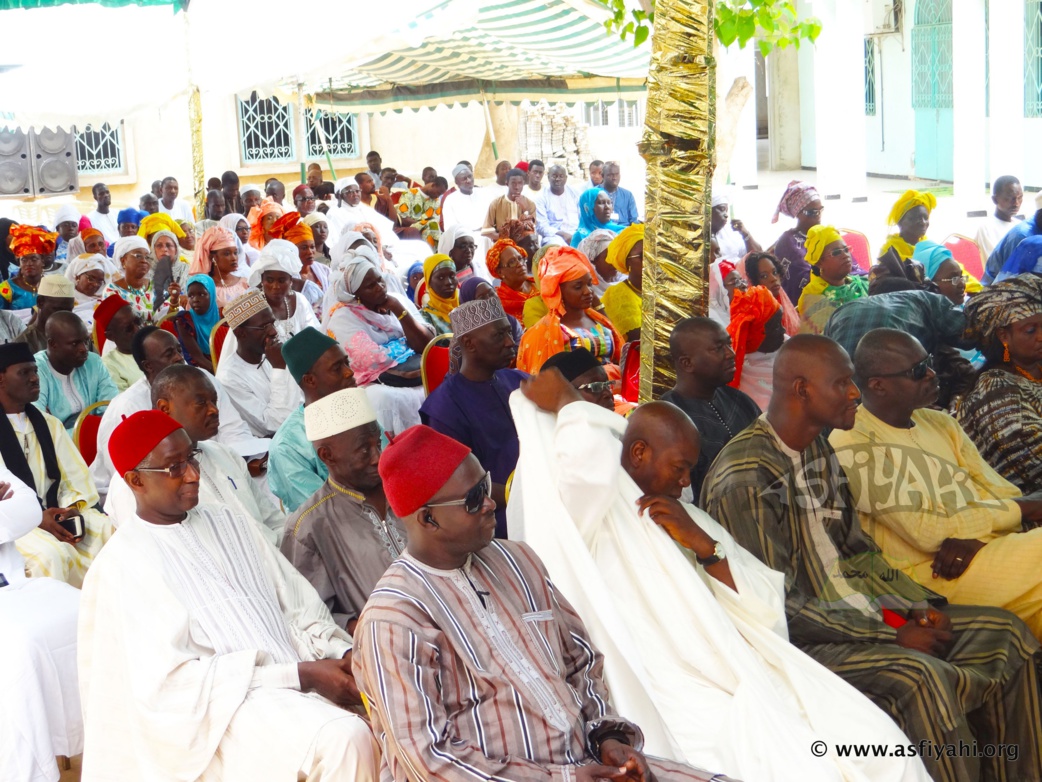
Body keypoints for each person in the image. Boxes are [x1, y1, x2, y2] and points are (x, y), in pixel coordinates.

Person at [512, 370, 931, 781]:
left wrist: (705, 547)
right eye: (679, 467)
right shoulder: (588, 521)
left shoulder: (686, 516)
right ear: (638, 453)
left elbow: (763, 603)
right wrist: (568, 403)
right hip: (673, 688)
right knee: (786, 765)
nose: (684, 481)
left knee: (880, 746)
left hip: (741, 666)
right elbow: (585, 467)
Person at [702, 335, 1042, 782]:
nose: (855, 392)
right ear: (801, 389)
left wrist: (917, 607)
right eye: (842, 382)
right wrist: (888, 634)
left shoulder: (818, 449)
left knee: (1006, 636)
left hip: (859, 616)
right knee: (921, 678)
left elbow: (859, 551)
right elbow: (777, 606)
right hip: (799, 645)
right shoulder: (746, 478)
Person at [353, 423, 736, 782]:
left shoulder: (519, 561)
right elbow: (428, 760)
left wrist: (607, 740)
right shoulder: (393, 620)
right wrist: (561, 779)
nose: (490, 503)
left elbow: (581, 662)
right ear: (428, 520)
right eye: (473, 500)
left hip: (586, 764)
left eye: (485, 485)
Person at [78, 410, 380, 782]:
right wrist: (299, 677)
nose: (193, 474)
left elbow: (297, 606)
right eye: (174, 467)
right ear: (135, 480)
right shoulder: (122, 565)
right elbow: (170, 690)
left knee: (391, 698)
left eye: (192, 458)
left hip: (299, 671)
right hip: (219, 715)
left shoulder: (229, 521)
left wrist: (341, 655)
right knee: (344, 738)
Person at [832, 328, 1042, 638]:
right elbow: (926, 532)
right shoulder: (853, 442)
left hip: (985, 551)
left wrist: (977, 538)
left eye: (928, 362)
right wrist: (1014, 513)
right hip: (931, 575)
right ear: (878, 385)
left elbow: (1003, 491)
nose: (932, 374)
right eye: (918, 371)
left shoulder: (941, 423)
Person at [102, 364, 285, 545]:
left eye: (214, 401)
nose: (214, 410)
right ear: (165, 409)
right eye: (201, 403)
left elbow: (273, 522)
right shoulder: (137, 481)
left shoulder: (224, 454)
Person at [282, 387, 404, 632]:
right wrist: (361, 629)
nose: (377, 457)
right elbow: (309, 615)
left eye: (377, 442)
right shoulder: (309, 527)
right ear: (327, 455)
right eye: (363, 450)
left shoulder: (408, 486)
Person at [91, 326, 262, 496]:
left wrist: (238, 462)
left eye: (179, 350)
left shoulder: (200, 379)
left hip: (213, 468)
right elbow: (128, 476)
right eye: (169, 354)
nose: (179, 357)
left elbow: (233, 427)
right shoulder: (127, 407)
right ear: (148, 366)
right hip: (154, 493)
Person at [0, 342, 111, 586]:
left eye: (35, 371)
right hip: (13, 526)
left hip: (55, 511)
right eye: (24, 373)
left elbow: (75, 478)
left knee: (107, 530)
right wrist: (37, 517)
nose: (34, 379)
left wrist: (69, 509)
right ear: (1, 380)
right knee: (52, 555)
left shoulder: (49, 424)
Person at [0, 468, 83, 782]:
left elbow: (29, 510)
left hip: (13, 586)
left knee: (88, 612)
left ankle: (105, 736)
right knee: (22, 647)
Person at [421, 298, 524, 537]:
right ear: (469, 343)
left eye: (509, 332)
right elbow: (463, 485)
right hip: (496, 516)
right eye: (499, 336)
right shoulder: (444, 408)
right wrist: (521, 495)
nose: (510, 342)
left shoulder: (519, 381)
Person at [957, 274, 1042, 492]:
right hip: (1026, 511)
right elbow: (1031, 462)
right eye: (1031, 330)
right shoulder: (995, 390)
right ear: (1004, 336)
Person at [661, 318, 760, 500]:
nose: (730, 354)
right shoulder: (668, 418)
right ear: (687, 363)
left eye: (728, 345)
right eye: (718, 349)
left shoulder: (739, 400)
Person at [267, 329, 358, 513]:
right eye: (337, 368)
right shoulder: (288, 446)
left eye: (346, 363)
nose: (349, 372)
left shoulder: (355, 410)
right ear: (310, 380)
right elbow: (325, 513)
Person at [517, 246, 622, 373]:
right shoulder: (545, 332)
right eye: (578, 287)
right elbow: (544, 380)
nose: (588, 291)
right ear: (558, 290)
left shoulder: (597, 319)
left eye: (589, 284)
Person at [216, 290, 303, 438]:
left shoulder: (271, 354)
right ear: (240, 333)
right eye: (264, 327)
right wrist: (278, 369)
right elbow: (275, 424)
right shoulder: (229, 378)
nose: (273, 332)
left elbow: (301, 398)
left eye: (272, 323)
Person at [33, 311, 117, 431]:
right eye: (74, 343)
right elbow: (40, 423)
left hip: (99, 437)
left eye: (86, 341)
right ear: (53, 344)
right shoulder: (36, 370)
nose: (84, 349)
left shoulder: (94, 362)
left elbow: (111, 407)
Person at [245, 238, 321, 343]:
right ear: (262, 280)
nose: (275, 286)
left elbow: (315, 336)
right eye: (270, 280)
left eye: (281, 280)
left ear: (291, 281)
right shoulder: (250, 305)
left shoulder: (300, 301)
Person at [797, 225, 868, 334]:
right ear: (819, 263)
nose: (845, 255)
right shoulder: (813, 296)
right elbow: (824, 340)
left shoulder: (860, 283)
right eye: (836, 252)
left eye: (846, 249)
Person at [726, 285, 785, 410]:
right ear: (756, 336)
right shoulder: (734, 373)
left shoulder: (791, 349)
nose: (783, 330)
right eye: (776, 326)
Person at [770, 180, 822, 305]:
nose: (818, 216)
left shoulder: (823, 233)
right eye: (812, 212)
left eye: (820, 210)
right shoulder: (789, 242)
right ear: (797, 213)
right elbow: (803, 279)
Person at [268, 213, 330, 317]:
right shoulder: (285, 276)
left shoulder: (325, 270)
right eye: (304, 248)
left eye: (312, 247)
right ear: (292, 251)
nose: (310, 252)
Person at [104, 236, 165, 323]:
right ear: (123, 261)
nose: (144, 260)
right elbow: (127, 317)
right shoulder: (112, 291)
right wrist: (159, 315)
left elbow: (169, 312)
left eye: (147, 256)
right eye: (138, 256)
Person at [599, 224, 644, 343]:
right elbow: (642, 340)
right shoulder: (619, 294)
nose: (650, 262)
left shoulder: (658, 290)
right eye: (643, 256)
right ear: (627, 261)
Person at [13, 274, 75, 354]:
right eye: (57, 310)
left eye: (68, 310)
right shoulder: (23, 342)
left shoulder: (78, 336)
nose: (64, 316)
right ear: (40, 302)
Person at [2, 225, 55, 315]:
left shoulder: (53, 285)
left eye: (34, 259)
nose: (29, 263)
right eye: (24, 260)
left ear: (42, 261)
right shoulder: (6, 288)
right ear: (19, 263)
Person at [172, 274, 220, 372]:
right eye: (191, 296)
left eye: (202, 294)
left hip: (221, 365)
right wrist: (221, 374)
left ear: (212, 294)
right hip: (196, 371)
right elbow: (198, 358)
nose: (195, 300)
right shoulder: (184, 321)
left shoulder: (222, 318)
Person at [95, 294, 143, 392]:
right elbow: (125, 403)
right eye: (128, 329)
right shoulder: (109, 365)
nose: (137, 329)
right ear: (110, 336)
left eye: (138, 322)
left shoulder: (153, 347)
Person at [880, 189, 935, 265]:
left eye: (926, 218)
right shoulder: (889, 252)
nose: (923, 222)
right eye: (916, 218)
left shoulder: (929, 247)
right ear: (900, 222)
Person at [486, 237, 536, 319]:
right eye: (512, 262)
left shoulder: (538, 283)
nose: (520, 264)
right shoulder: (500, 304)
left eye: (520, 259)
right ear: (500, 272)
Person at [975, 175, 1023, 259]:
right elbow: (994, 264)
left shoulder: (1020, 225)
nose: (1016, 203)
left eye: (1019, 198)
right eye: (1010, 198)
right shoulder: (986, 229)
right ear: (995, 200)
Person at [481, 168, 536, 239]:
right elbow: (487, 231)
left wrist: (525, 210)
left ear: (523, 184)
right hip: (502, 242)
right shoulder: (496, 204)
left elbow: (531, 230)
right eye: (513, 183)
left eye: (520, 183)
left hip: (523, 242)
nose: (517, 187)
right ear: (507, 183)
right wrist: (506, 240)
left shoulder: (530, 204)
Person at [533, 164, 580, 246]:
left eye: (561, 176)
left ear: (566, 178)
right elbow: (541, 226)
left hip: (576, 233)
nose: (558, 179)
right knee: (557, 248)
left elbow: (582, 218)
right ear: (548, 177)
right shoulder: (541, 197)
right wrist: (562, 234)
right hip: (554, 236)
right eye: (554, 176)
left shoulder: (575, 194)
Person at [64, 252, 110, 330]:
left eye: (100, 281)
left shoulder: (104, 301)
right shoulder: (64, 300)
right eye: (91, 278)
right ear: (77, 276)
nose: (96, 284)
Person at [417, 253, 458, 335]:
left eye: (452, 276)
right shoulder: (425, 317)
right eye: (441, 278)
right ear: (429, 282)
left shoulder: (466, 303)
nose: (448, 282)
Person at [711, 193, 761, 262]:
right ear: (709, 211)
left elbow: (760, 256)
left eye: (726, 211)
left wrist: (745, 234)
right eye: (722, 209)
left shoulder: (731, 234)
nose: (726, 215)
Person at [149, 228, 189, 311]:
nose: (164, 249)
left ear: (176, 250)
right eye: (159, 246)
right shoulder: (147, 271)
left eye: (169, 245)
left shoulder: (187, 270)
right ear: (153, 250)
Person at [599, 161, 639, 226]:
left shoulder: (628, 195)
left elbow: (634, 220)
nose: (614, 178)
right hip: (601, 232)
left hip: (624, 233)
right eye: (610, 175)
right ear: (603, 176)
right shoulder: (593, 194)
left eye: (617, 174)